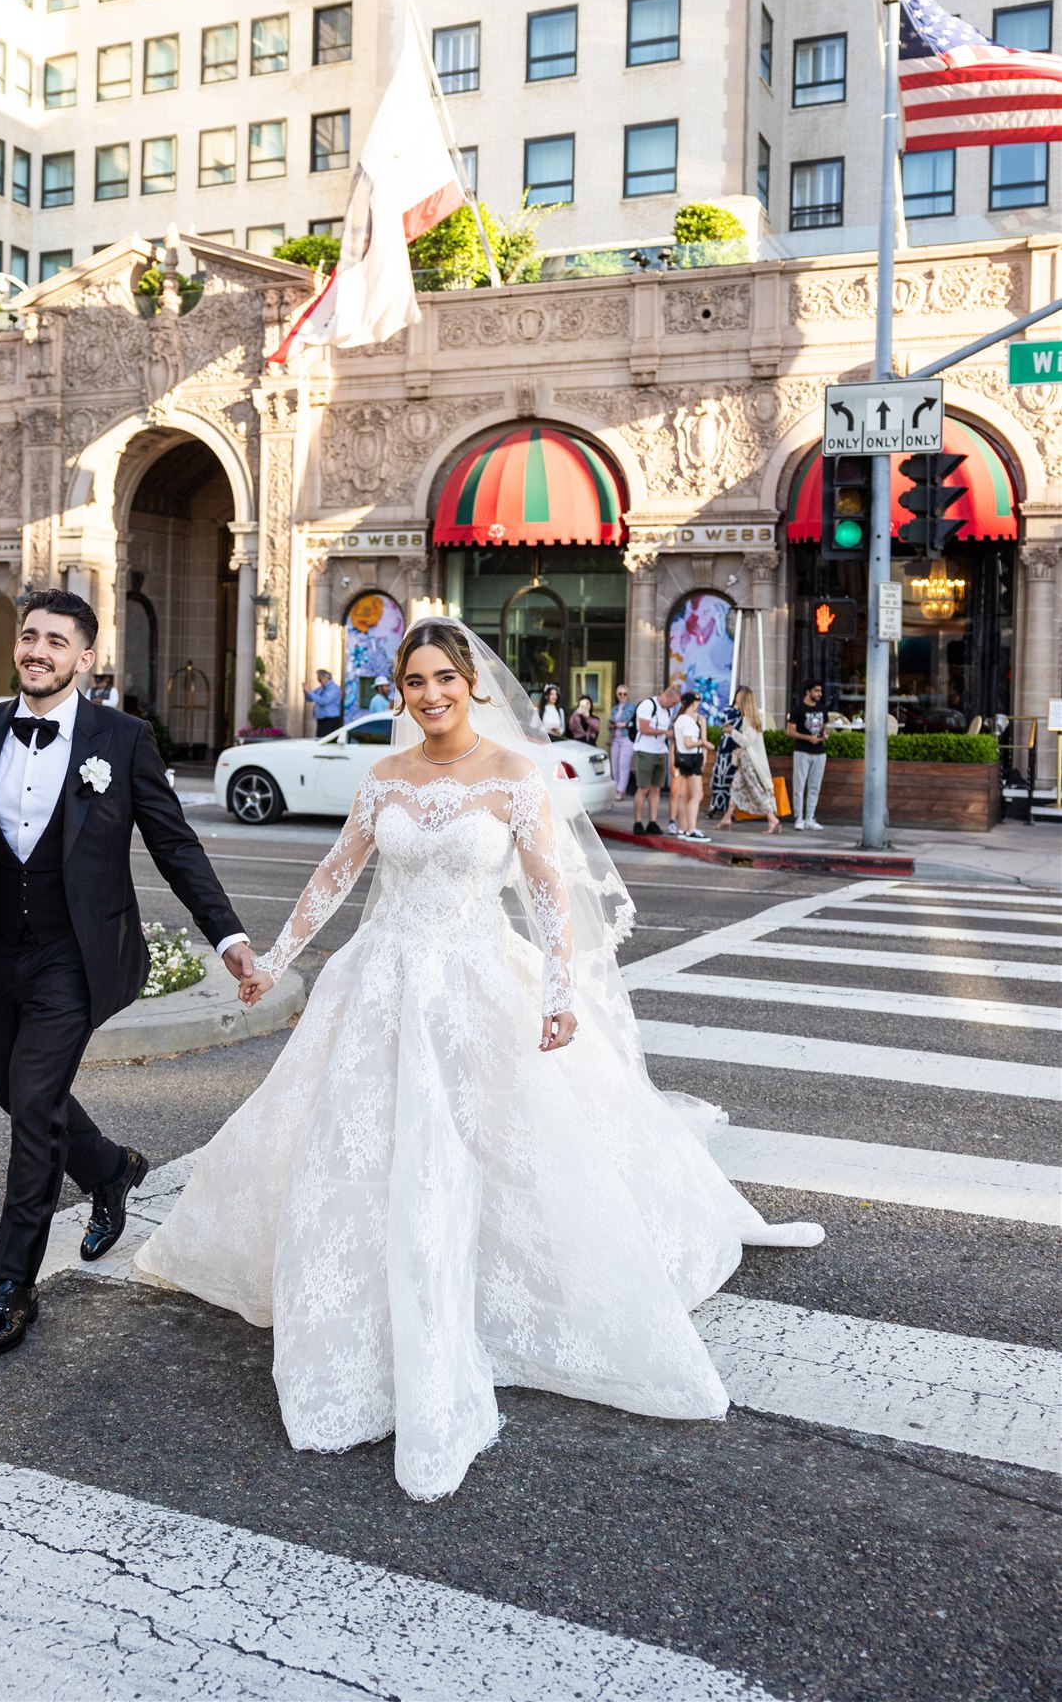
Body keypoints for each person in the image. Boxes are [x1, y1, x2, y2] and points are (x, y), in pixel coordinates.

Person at [134, 619, 822, 1502]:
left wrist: (559, 990)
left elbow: (545, 890)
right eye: (411, 683)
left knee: (493, 1143)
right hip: (381, 980)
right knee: (368, 1145)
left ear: (471, 684)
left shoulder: (511, 776)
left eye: (441, 680)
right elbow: (335, 877)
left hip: (476, 979)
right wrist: (274, 958)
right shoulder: (383, 777)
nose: (427, 696)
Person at [0, 589, 254, 1363]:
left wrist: (229, 935)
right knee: (11, 1087)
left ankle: (13, 1286)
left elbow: (176, 846)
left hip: (78, 955)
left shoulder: (123, 738)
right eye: (28, 636)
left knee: (34, 1101)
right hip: (0, 948)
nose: (36, 650)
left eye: (54, 641)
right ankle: (112, 1169)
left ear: (85, 659)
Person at [715, 686, 780, 834]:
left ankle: (772, 818)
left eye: (739, 695)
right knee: (736, 787)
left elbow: (747, 741)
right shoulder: (750, 717)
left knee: (756, 789)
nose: (736, 697)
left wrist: (732, 731)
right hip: (746, 760)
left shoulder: (749, 719)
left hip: (750, 762)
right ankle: (727, 817)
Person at [631, 681, 680, 835]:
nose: (673, 707)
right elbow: (643, 728)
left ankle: (652, 821)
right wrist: (665, 733)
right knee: (643, 788)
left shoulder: (667, 711)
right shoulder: (647, 705)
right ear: (666, 696)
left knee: (656, 789)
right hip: (645, 750)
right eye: (672, 703)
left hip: (660, 751)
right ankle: (638, 822)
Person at [668, 691, 711, 841]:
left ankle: (683, 827)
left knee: (684, 795)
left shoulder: (679, 719)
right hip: (692, 759)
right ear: (693, 703)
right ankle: (691, 829)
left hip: (683, 759)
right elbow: (688, 743)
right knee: (697, 794)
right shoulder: (688, 721)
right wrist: (703, 743)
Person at [787, 678, 827, 830]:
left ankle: (810, 817)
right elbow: (790, 731)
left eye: (820, 691)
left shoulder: (823, 709)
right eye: (816, 691)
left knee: (814, 786)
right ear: (808, 691)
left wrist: (824, 735)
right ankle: (799, 817)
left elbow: (825, 727)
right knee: (799, 785)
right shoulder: (798, 710)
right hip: (802, 751)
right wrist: (808, 738)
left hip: (820, 751)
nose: (819, 694)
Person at [607, 684, 635, 797]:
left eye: (625, 694)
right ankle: (616, 787)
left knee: (623, 764)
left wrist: (624, 724)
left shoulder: (632, 707)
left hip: (626, 738)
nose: (622, 696)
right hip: (615, 738)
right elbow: (608, 724)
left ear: (628, 695)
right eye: (620, 694)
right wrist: (612, 725)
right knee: (615, 765)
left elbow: (633, 723)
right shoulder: (614, 708)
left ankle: (621, 790)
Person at [303, 669, 342, 737]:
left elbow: (323, 701)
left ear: (324, 678)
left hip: (330, 719)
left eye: (319, 678)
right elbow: (310, 699)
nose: (318, 680)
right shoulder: (321, 688)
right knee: (320, 737)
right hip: (321, 719)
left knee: (326, 740)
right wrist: (306, 692)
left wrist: (310, 692)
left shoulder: (334, 689)